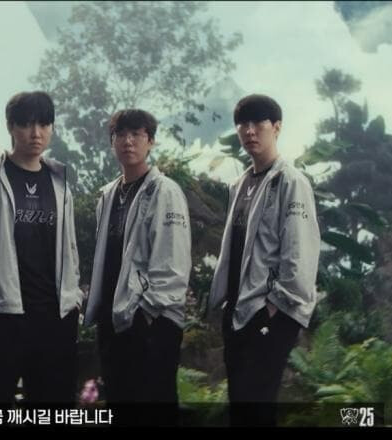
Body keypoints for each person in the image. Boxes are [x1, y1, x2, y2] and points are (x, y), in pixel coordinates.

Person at [0, 91, 83, 426]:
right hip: (2, 317)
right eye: (26, 124)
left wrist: (73, 300)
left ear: (52, 128)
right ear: (11, 127)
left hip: (55, 319)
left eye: (44, 124)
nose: (35, 133)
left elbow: (69, 247)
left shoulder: (60, 182)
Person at [207, 94, 320, 426]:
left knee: (256, 406)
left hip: (269, 314)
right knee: (241, 408)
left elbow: (300, 252)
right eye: (243, 124)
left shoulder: (291, 182)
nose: (250, 131)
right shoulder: (239, 185)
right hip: (237, 311)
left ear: (277, 127)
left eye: (258, 122)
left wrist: (274, 307)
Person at [82, 109, 190, 426]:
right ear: (112, 142)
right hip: (113, 321)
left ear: (150, 141)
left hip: (152, 322)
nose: (128, 141)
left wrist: (146, 313)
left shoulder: (165, 191)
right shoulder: (108, 195)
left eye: (137, 134)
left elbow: (173, 263)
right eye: (121, 135)